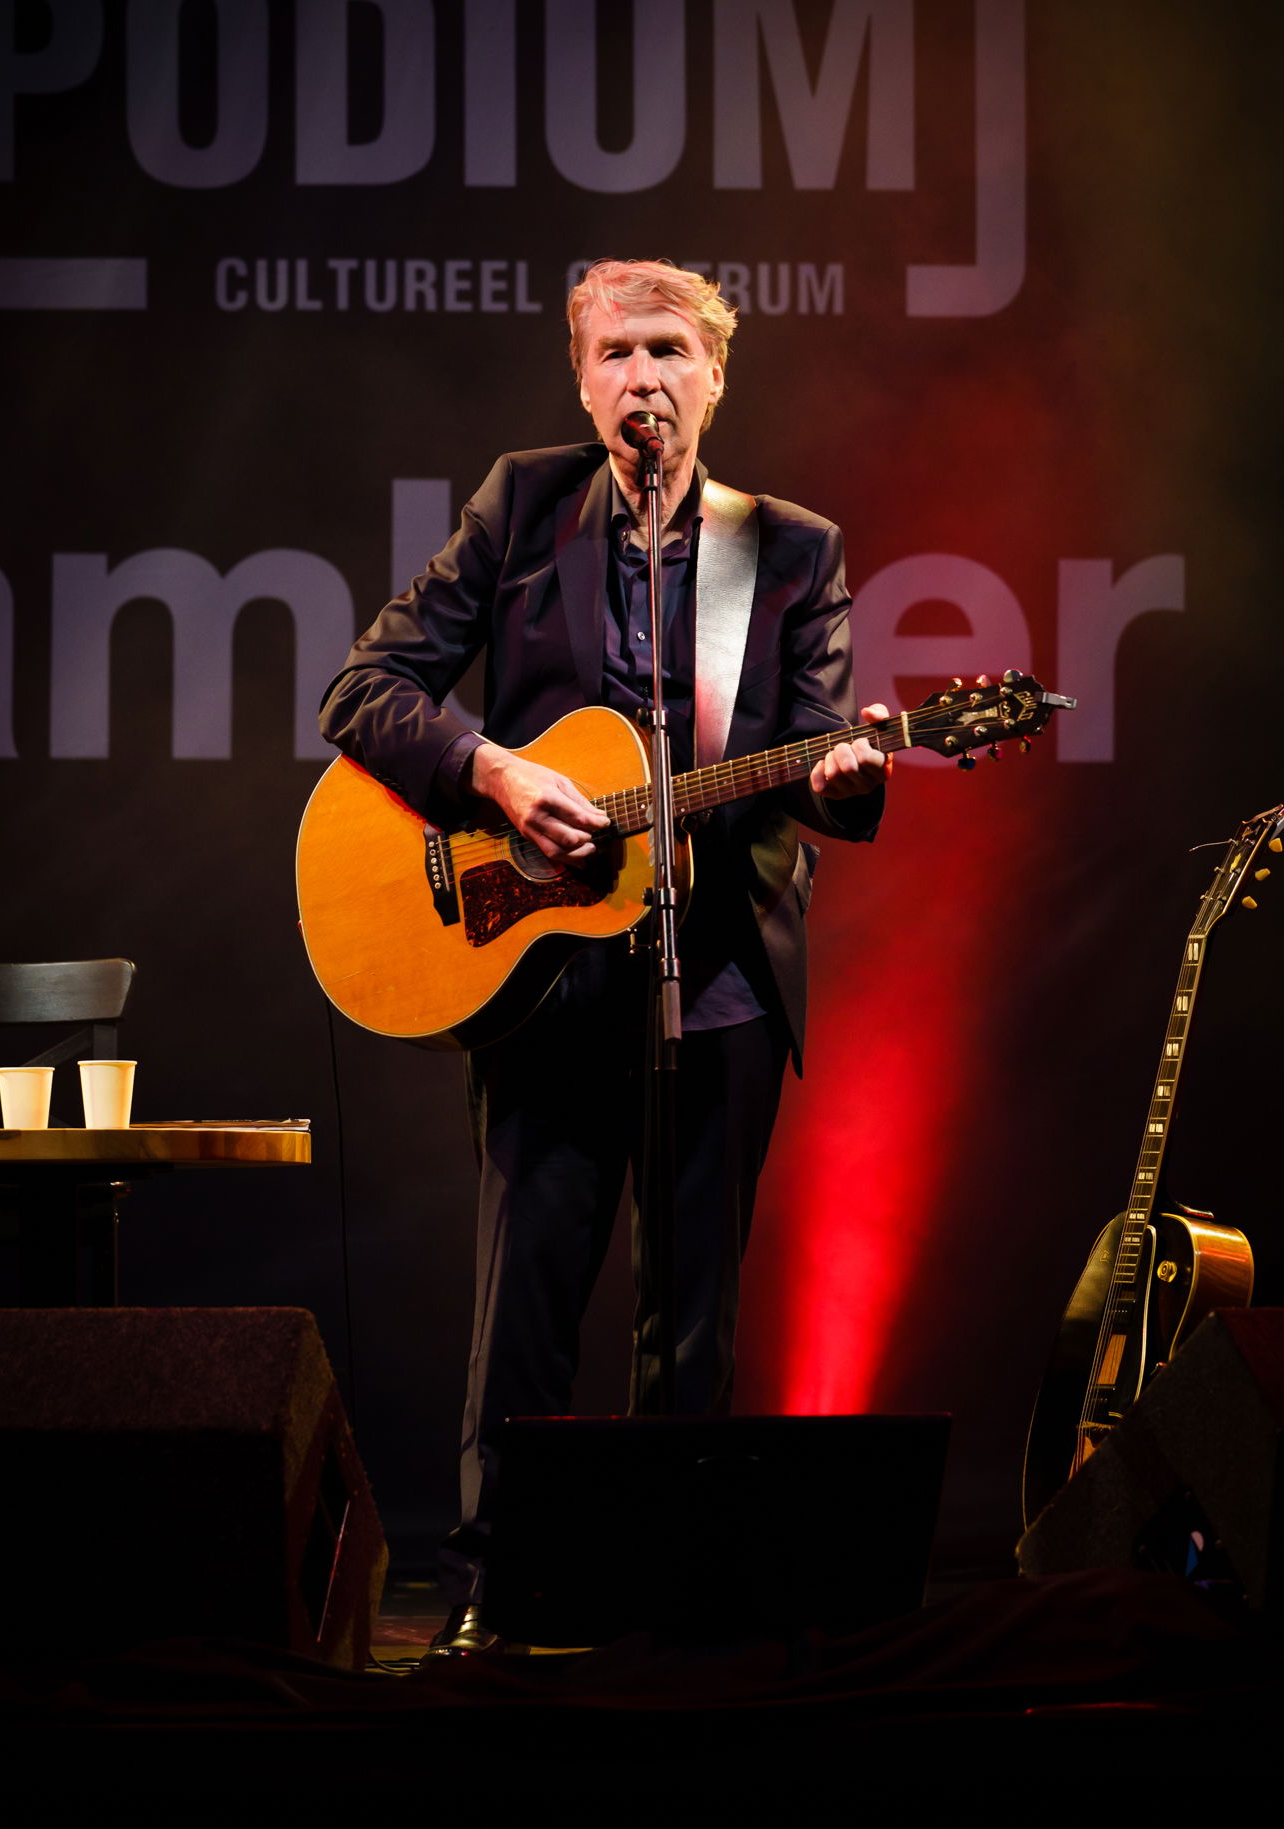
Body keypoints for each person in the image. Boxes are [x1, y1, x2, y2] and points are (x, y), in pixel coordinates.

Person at [319, 259, 890, 1654]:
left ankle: (665, 1615)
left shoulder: (791, 549)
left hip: (727, 980)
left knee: (690, 1327)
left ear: (714, 377)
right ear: (584, 382)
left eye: (672, 351)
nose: (646, 377)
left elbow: (822, 755)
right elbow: (363, 691)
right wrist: (501, 777)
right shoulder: (524, 506)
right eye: (619, 352)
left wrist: (848, 779)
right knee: (526, 1311)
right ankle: (488, 1606)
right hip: (546, 979)